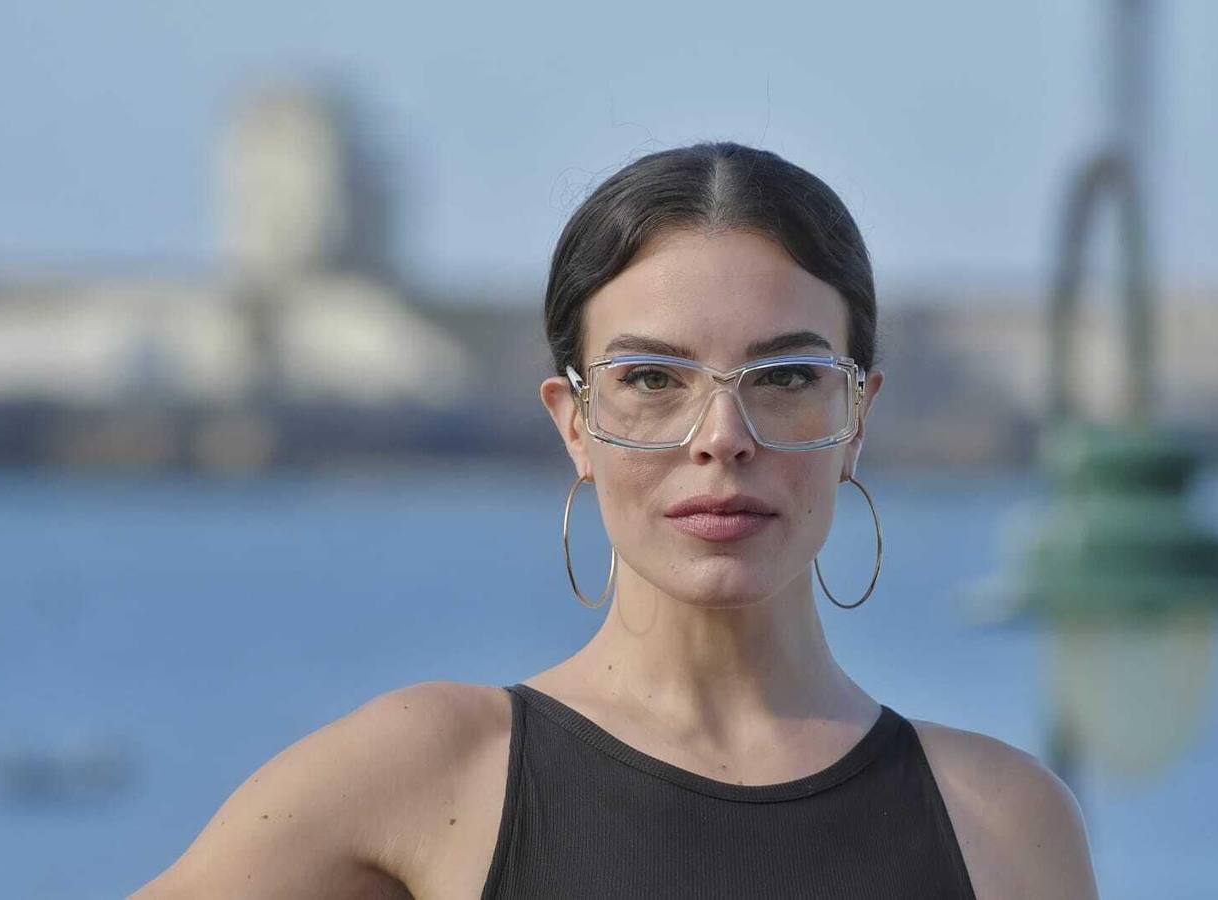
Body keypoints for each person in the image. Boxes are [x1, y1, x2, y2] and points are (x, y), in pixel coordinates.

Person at [131, 141, 1100, 899]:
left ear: (857, 419)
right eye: (649, 380)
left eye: (788, 377)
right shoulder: (430, 775)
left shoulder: (1004, 823)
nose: (722, 436)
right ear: (576, 424)